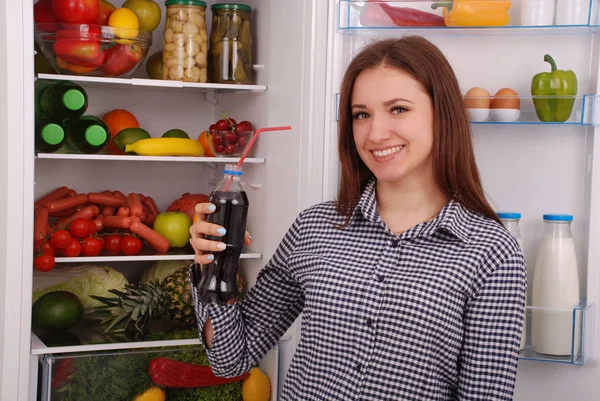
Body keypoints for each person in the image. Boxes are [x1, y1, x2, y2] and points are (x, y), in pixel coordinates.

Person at [188, 35, 527, 400]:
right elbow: (230, 358)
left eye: (398, 109)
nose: (376, 134)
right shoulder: (314, 228)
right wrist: (214, 267)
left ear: (442, 114)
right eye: (361, 114)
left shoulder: (492, 252)